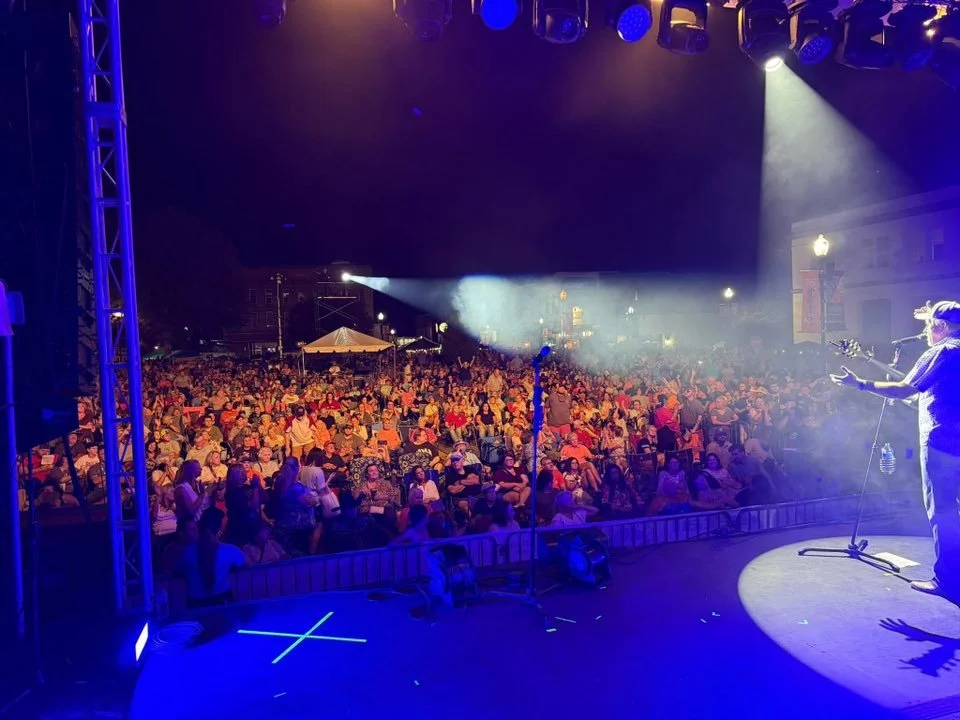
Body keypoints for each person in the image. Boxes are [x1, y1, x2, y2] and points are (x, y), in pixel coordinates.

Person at [830, 300, 960, 602]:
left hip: (944, 444)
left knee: (943, 512)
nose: (925, 331)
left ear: (939, 328)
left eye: (929, 325)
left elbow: (904, 389)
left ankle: (948, 580)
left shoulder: (943, 352)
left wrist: (860, 384)